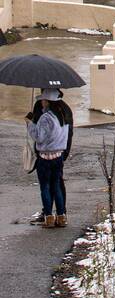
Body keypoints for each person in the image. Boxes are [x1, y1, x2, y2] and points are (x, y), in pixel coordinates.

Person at [26, 89, 69, 229]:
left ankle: (49, 217)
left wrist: (30, 123)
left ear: (48, 102)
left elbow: (38, 136)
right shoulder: (63, 116)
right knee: (56, 186)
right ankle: (61, 217)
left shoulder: (46, 118)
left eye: (43, 100)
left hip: (45, 157)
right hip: (58, 156)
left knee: (45, 187)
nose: (41, 102)